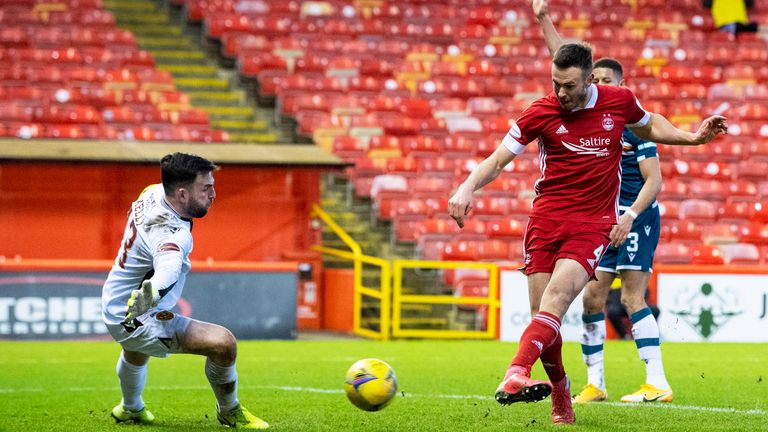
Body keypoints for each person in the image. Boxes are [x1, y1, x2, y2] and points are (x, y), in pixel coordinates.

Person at [448, 34, 727, 432]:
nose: (560, 92)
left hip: (592, 224)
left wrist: (693, 138)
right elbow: (497, 160)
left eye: (569, 86)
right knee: (541, 320)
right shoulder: (539, 111)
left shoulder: (619, 101)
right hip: (544, 221)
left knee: (558, 300)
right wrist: (466, 187)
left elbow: (649, 126)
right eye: (555, 83)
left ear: (590, 82)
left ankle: (514, 370)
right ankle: (561, 391)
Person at [532, 0, 673, 405]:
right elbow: (564, 63)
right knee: (593, 298)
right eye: (595, 78)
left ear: (618, 83)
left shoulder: (631, 122)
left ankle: (657, 380)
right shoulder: (590, 111)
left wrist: (630, 215)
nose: (597, 84)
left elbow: (655, 181)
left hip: (635, 217)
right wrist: (544, 19)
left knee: (631, 298)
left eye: (605, 79)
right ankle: (596, 383)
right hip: (600, 221)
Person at [101, 152, 269, 429]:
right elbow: (168, 266)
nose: (213, 194)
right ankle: (230, 410)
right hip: (138, 312)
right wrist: (153, 293)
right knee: (223, 343)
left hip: (116, 300)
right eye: (206, 189)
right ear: (181, 194)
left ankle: (130, 409)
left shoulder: (152, 191)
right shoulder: (172, 233)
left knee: (135, 351)